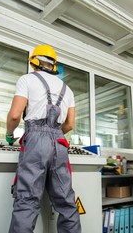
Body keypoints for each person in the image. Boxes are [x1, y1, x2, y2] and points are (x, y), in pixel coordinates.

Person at [6, 44, 81, 233]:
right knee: (66, 201)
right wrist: (54, 134)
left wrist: (9, 134)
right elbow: (70, 125)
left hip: (36, 140)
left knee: (28, 200)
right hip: (59, 141)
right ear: (54, 64)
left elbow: (15, 115)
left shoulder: (27, 80)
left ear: (34, 62)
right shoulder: (67, 89)